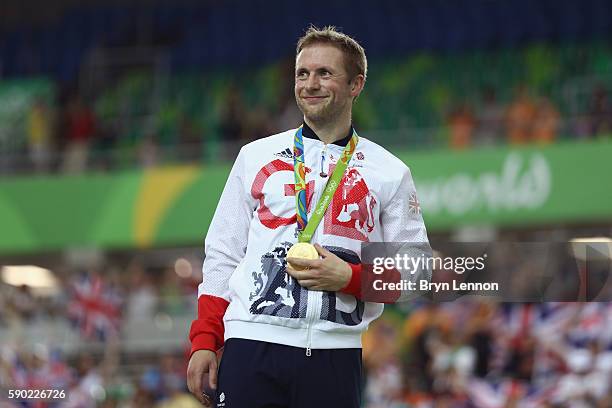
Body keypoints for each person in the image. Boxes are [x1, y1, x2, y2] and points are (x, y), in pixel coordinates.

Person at [187, 26, 431, 408]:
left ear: (356, 84)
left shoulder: (389, 171)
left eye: (324, 74)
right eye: (303, 74)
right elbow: (222, 255)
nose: (310, 84)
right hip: (251, 345)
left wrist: (350, 278)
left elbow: (417, 271)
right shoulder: (255, 157)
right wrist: (205, 340)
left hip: (336, 355)